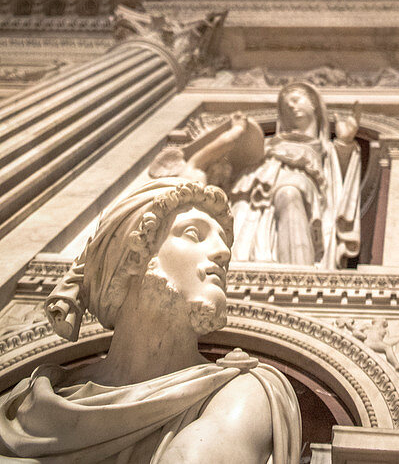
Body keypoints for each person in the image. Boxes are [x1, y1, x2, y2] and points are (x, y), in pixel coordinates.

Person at [0, 179, 301, 463]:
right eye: (194, 234)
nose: (224, 253)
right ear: (134, 257)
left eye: (224, 243)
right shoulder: (28, 402)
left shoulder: (244, 391)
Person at [231, 82, 361, 268]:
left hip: (300, 181)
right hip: (258, 183)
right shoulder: (270, 142)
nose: (291, 106)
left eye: (296, 100)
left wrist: (345, 143)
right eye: (286, 106)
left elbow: (341, 183)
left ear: (313, 104)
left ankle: (300, 271)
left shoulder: (326, 147)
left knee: (289, 192)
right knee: (244, 215)